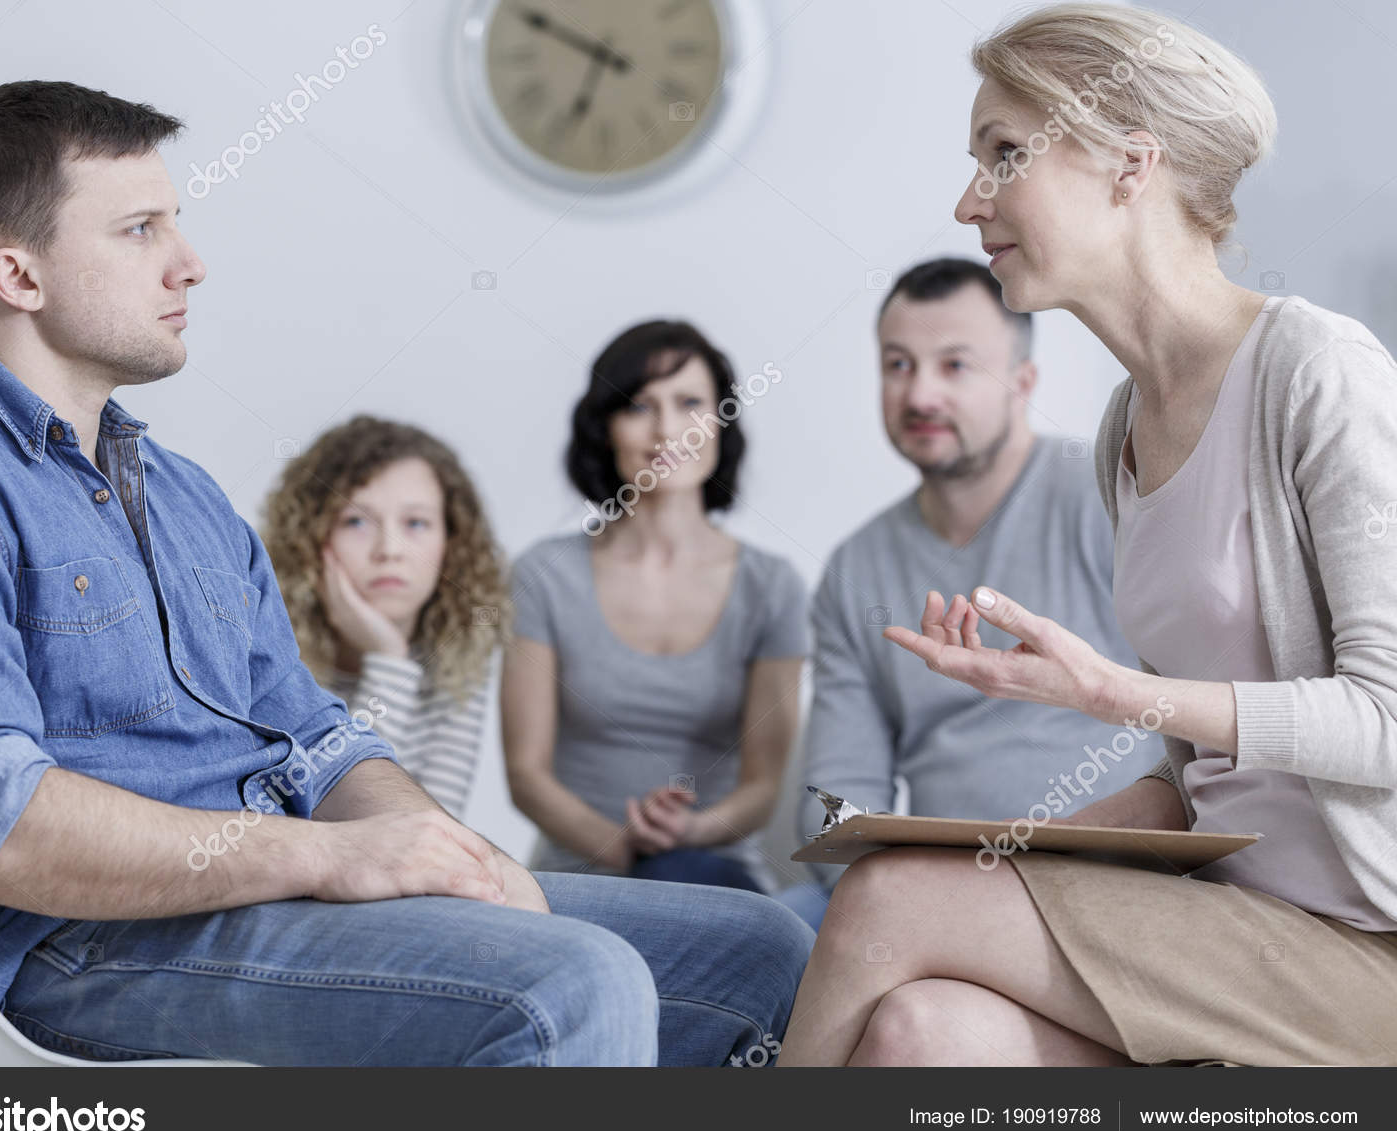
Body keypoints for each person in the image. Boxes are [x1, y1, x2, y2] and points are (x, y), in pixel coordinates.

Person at [0, 81, 812, 1067]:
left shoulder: (182, 496)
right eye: (141, 230)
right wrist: (329, 856)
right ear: (20, 277)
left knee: (761, 953)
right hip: (87, 947)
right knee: (574, 981)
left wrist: (444, 852)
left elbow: (319, 742)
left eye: (176, 223)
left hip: (276, 896)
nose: (190, 263)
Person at [781, 3, 1397, 1067]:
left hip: (1360, 947)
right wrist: (1008, 847)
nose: (968, 201)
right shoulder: (1128, 427)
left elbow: (1386, 720)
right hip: (1231, 921)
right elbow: (1197, 781)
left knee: (889, 900)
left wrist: (1110, 693)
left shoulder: (1317, 371)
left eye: (1002, 154)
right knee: (923, 1033)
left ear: (1129, 165)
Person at [777, 257, 1159, 932]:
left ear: (1022, 383)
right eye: (898, 365)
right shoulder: (855, 568)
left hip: (1106, 880)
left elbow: (1196, 711)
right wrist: (896, 890)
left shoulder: (1108, 500)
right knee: (766, 935)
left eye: (955, 365)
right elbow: (837, 794)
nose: (920, 394)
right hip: (931, 888)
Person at [502, 320, 809, 893]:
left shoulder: (772, 587)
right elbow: (526, 774)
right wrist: (626, 847)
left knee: (682, 876)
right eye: (639, 406)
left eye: (690, 404)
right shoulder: (544, 574)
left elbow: (763, 787)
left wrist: (687, 832)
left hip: (714, 875)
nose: (667, 429)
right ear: (606, 428)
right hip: (581, 878)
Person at [264, 416, 507, 821]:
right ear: (309, 540)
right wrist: (389, 662)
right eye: (356, 521)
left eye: (416, 523)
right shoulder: (273, 656)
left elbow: (433, 830)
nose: (389, 550)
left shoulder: (460, 653)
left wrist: (388, 659)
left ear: (451, 542)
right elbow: (327, 824)